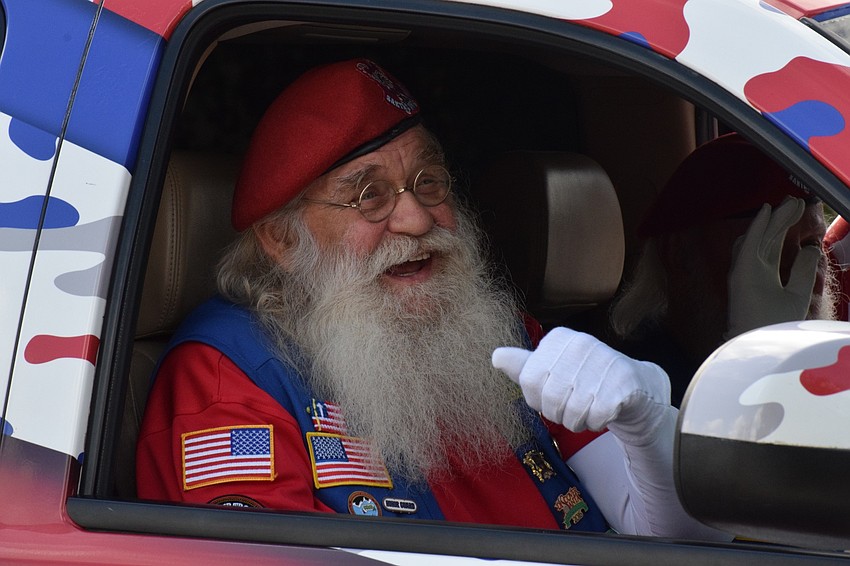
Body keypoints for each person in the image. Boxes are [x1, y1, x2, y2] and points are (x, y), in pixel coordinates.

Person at [136, 58, 723, 539]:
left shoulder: (498, 331)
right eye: (368, 195)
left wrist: (648, 431)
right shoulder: (226, 372)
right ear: (283, 239)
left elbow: (670, 536)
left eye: (428, 181)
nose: (417, 219)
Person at [609, 133, 836, 406]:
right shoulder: (635, 395)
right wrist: (755, 362)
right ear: (679, 254)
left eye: (812, 247)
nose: (804, 278)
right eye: (767, 251)